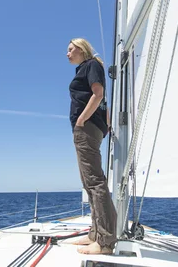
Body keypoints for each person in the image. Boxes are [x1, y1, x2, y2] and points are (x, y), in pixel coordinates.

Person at [67, 38, 117, 255]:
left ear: (81, 49)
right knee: (90, 183)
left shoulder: (91, 65)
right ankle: (96, 234)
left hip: (86, 128)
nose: (67, 53)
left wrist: (81, 120)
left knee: (95, 183)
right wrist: (105, 126)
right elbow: (103, 102)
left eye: (70, 49)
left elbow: (99, 95)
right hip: (90, 129)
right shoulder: (88, 68)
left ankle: (105, 242)